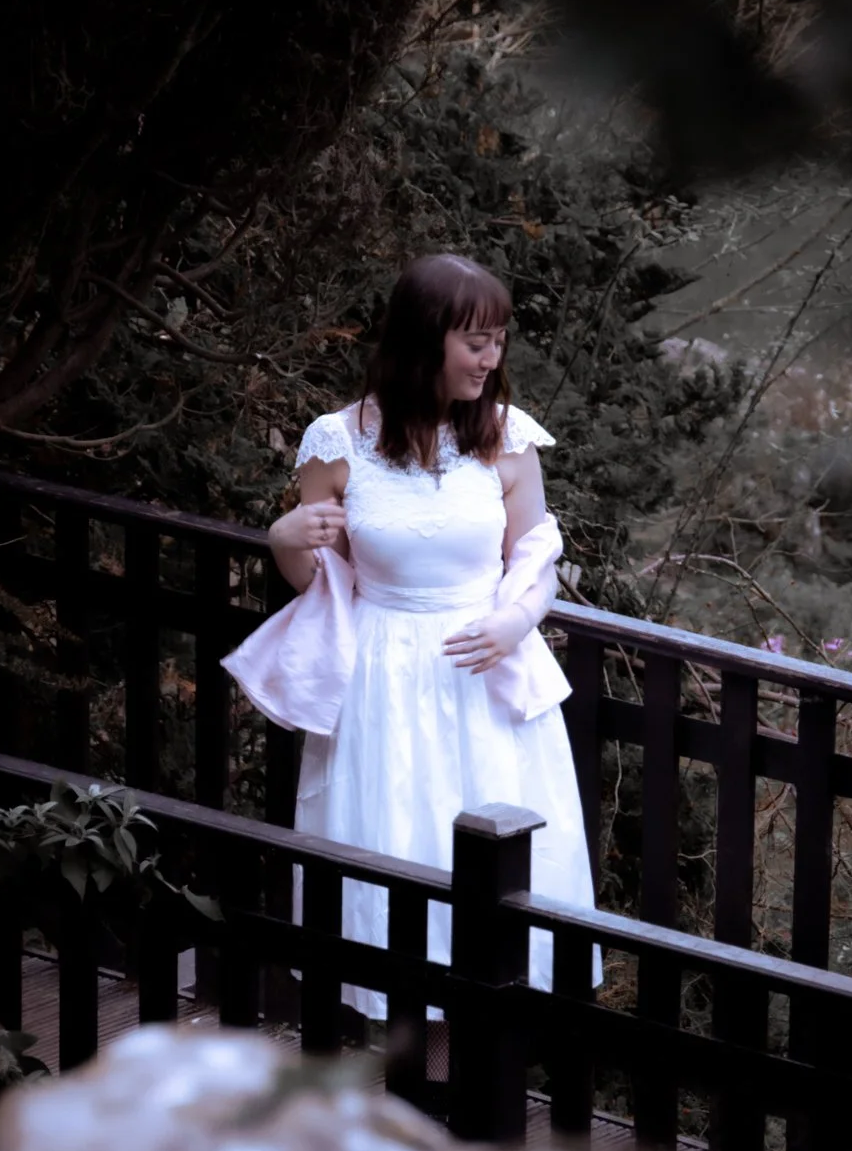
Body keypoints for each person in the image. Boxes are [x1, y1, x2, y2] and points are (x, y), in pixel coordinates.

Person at [228, 252, 601, 1088]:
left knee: (495, 876)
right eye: (475, 341)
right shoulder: (337, 443)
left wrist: (514, 619)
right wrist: (283, 541)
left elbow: (534, 555)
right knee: (398, 858)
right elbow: (319, 580)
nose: (490, 358)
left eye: (498, 340)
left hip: (485, 677)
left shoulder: (507, 436)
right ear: (423, 340)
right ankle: (413, 1082)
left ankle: (471, 1082)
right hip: (383, 680)